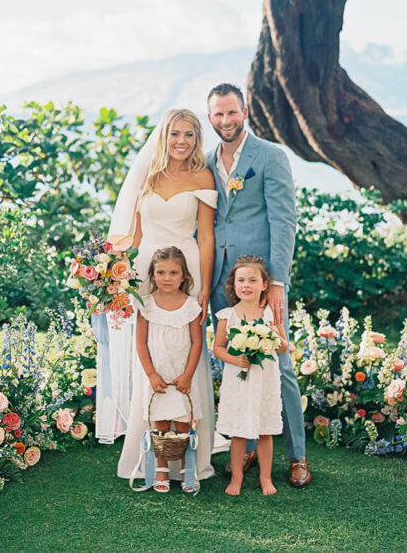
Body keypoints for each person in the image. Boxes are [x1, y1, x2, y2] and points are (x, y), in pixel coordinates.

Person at [206, 85, 308, 488]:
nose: (226, 121)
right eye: (217, 115)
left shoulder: (270, 156)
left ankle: (297, 456)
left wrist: (277, 281)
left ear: (244, 111)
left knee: (278, 365)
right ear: (210, 117)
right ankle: (246, 445)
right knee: (235, 366)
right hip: (220, 280)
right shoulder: (206, 161)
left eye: (231, 112)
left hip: (260, 281)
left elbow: (285, 221)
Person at [110, 108, 217, 484]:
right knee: (150, 348)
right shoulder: (148, 177)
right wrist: (112, 272)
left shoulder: (203, 176)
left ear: (196, 139)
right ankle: (150, 452)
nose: (182, 141)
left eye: (189, 134)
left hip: (184, 266)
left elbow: (206, 235)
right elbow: (134, 238)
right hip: (146, 271)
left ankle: (189, 456)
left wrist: (204, 285)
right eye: (175, 134)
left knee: (185, 344)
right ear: (164, 136)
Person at [131, 247, 205, 493]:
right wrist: (151, 374)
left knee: (184, 425)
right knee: (160, 425)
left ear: (183, 276)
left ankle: (188, 468)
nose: (167, 277)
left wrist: (188, 375)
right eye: (161, 272)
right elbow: (140, 342)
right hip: (158, 376)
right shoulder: (146, 306)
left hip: (182, 375)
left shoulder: (191, 306)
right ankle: (160, 468)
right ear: (152, 275)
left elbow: (197, 343)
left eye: (173, 272)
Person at [214, 255, 289, 496]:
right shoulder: (228, 315)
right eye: (241, 280)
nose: (246, 285)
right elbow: (218, 348)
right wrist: (235, 359)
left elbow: (283, 348)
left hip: (265, 380)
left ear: (264, 285)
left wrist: (277, 335)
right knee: (238, 431)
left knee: (264, 430)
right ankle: (236, 477)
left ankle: (265, 478)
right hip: (238, 380)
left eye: (253, 280)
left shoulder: (270, 314)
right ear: (233, 285)